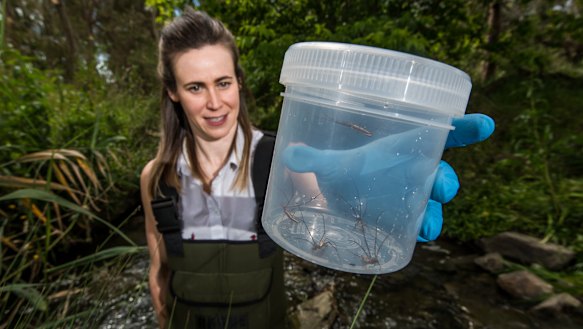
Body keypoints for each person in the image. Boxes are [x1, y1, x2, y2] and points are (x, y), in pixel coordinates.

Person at [140, 8, 495, 329]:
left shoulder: (284, 157)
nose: (214, 102)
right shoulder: (155, 178)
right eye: (195, 87)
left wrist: (356, 203)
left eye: (223, 82)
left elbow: (323, 216)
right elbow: (159, 271)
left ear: (239, 81)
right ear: (173, 91)